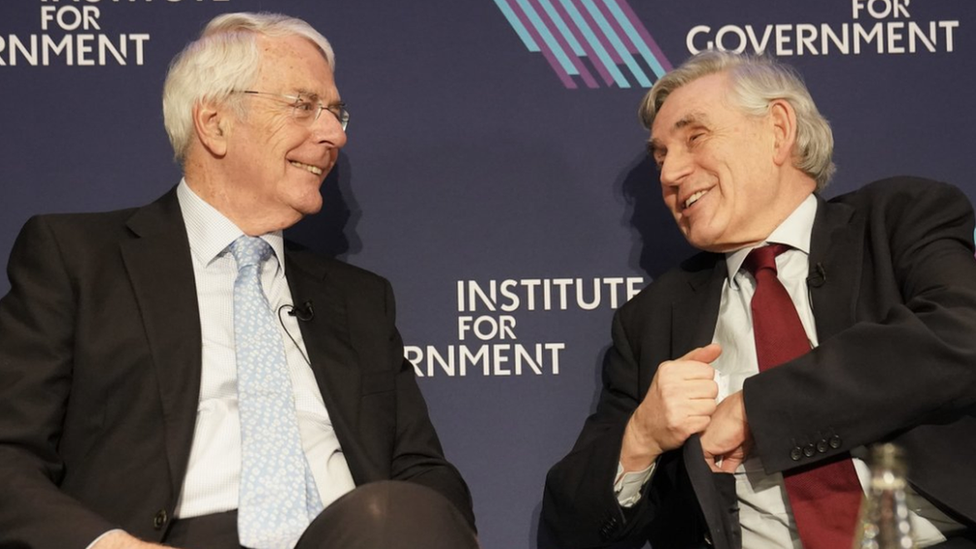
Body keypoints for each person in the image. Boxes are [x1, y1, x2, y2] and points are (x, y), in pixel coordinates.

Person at [0, 12, 477, 549]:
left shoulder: (360, 301)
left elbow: (425, 473)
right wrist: (106, 544)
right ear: (215, 122)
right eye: (303, 106)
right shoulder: (80, 261)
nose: (335, 134)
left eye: (337, 112)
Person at [542, 50, 976, 549]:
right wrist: (641, 437)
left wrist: (754, 410)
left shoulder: (897, 220)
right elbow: (569, 523)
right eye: (662, 156)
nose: (668, 174)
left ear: (777, 128)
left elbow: (961, 332)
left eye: (694, 137)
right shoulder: (652, 320)